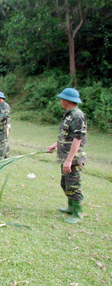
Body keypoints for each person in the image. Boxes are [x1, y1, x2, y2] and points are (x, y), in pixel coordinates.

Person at [46, 88, 87, 224]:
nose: (60, 101)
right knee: (65, 184)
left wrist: (69, 160)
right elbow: (66, 136)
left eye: (62, 98)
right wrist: (55, 145)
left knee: (74, 185)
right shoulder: (69, 114)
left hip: (73, 159)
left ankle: (78, 214)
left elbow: (77, 139)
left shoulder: (77, 116)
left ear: (68, 100)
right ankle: (70, 207)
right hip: (66, 157)